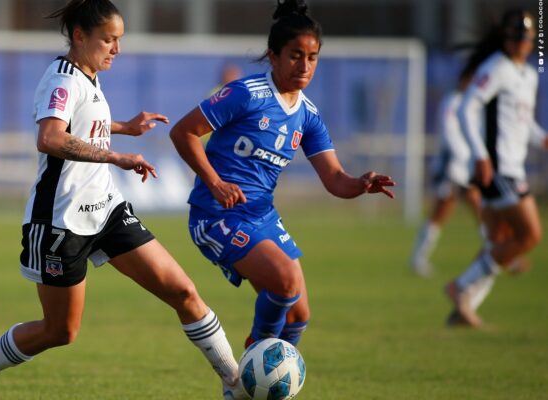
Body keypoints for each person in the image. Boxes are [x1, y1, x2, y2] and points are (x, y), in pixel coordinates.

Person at [0, 1, 245, 399]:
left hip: (107, 211)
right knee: (61, 331)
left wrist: (124, 127)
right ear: (80, 36)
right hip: (60, 222)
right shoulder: (62, 79)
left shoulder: (88, 76)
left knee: (183, 292)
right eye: (108, 39)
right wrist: (115, 155)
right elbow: (51, 138)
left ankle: (236, 383)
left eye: (119, 40)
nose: (117, 49)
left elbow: (85, 119)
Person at [169, 0, 395, 350]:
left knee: (298, 315)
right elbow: (182, 132)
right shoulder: (245, 94)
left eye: (313, 57)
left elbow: (335, 179)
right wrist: (215, 182)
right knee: (286, 280)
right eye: (295, 55)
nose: (304, 65)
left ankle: (264, 380)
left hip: (261, 216)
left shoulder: (308, 116)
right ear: (273, 56)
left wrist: (359, 183)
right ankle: (253, 362)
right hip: (216, 216)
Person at [446, 8, 547, 328]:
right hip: (498, 169)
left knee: (498, 241)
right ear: (505, 38)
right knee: (529, 234)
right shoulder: (496, 69)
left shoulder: (528, 75)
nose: (521, 43)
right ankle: (460, 287)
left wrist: (543, 138)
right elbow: (466, 107)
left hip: (512, 167)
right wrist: (480, 155)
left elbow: (523, 121)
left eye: (526, 38)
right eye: (516, 37)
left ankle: (465, 309)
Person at [409, 67, 482, 278]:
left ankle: (498, 254)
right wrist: (467, 157)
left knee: (480, 210)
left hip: (467, 169)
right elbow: (449, 133)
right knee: (441, 212)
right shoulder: (452, 102)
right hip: (452, 168)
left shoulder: (474, 105)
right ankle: (418, 257)